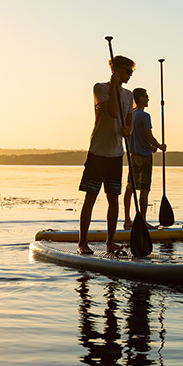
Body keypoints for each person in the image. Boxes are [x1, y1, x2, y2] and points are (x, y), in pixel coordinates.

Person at [77, 55, 135, 255]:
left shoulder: (129, 95)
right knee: (90, 198)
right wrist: (113, 85)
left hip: (116, 155)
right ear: (116, 70)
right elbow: (111, 112)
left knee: (114, 199)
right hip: (98, 152)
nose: (130, 75)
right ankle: (82, 243)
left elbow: (128, 122)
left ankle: (110, 242)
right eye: (127, 71)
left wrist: (129, 130)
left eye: (132, 72)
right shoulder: (100, 88)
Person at [123, 88, 166, 230]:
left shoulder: (129, 115)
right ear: (141, 98)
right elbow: (148, 136)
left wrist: (150, 145)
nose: (148, 99)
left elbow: (138, 137)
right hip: (144, 157)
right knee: (144, 189)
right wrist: (160, 146)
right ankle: (142, 220)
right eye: (146, 96)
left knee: (130, 187)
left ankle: (128, 220)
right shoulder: (145, 116)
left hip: (132, 156)